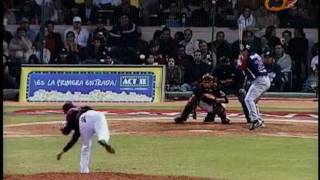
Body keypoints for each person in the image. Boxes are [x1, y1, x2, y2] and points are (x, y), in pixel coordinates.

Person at [57, 102, 115, 173]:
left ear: (66, 109)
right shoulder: (80, 108)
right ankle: (103, 139)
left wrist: (62, 129)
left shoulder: (70, 112)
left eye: (64, 112)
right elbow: (75, 135)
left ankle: (84, 172)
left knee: (86, 146)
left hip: (82, 120)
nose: (64, 114)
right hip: (95, 114)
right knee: (102, 129)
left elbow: (68, 133)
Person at [238, 45, 271, 130]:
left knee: (248, 99)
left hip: (260, 81)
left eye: (244, 51)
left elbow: (242, 68)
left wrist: (240, 61)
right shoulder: (256, 55)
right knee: (253, 100)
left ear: (247, 51)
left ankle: (255, 120)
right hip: (263, 79)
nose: (243, 52)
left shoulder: (248, 58)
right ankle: (258, 119)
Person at [212, 56, 250, 123]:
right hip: (223, 88)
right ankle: (214, 116)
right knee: (214, 96)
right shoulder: (217, 69)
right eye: (223, 64)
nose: (225, 66)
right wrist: (219, 84)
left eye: (226, 64)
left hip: (235, 87)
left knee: (243, 94)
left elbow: (242, 79)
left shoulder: (235, 68)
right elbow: (213, 80)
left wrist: (233, 81)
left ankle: (249, 117)